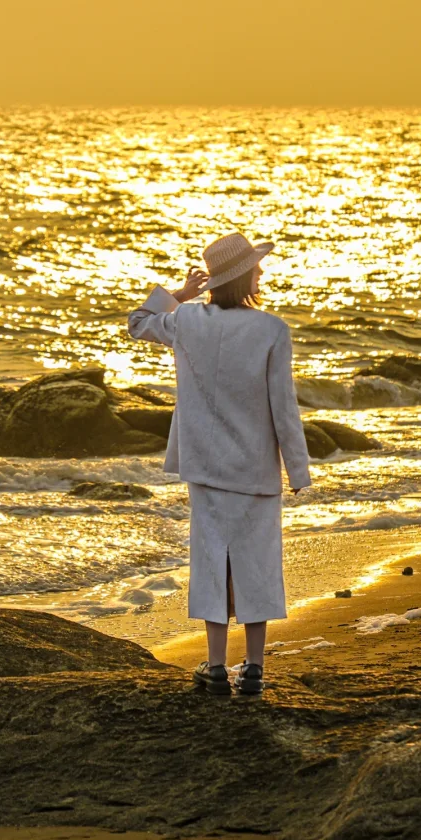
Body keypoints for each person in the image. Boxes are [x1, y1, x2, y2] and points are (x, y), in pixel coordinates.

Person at [127, 232, 310, 697]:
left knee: (212, 563)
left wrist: (180, 295)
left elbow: (137, 323)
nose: (262, 272)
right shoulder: (272, 329)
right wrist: (298, 470)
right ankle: (253, 668)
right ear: (244, 276)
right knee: (257, 563)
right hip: (255, 469)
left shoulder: (187, 320)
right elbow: (283, 407)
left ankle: (214, 666)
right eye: (256, 267)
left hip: (206, 467)